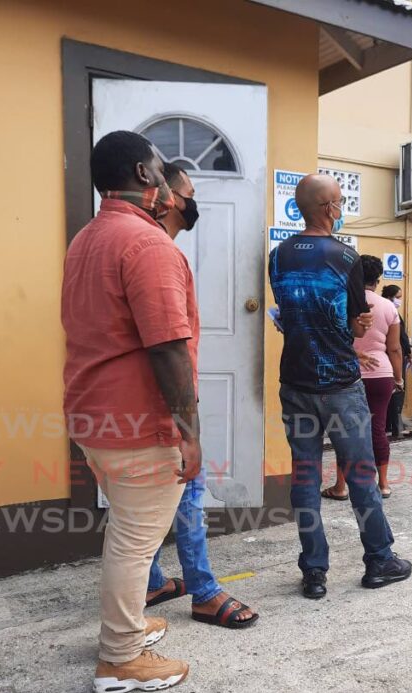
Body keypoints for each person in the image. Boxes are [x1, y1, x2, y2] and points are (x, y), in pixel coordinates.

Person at [63, 131, 195, 693]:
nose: (169, 184)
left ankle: (130, 626)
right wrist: (189, 432)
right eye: (163, 171)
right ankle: (119, 658)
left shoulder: (88, 238)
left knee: (125, 530)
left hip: (95, 416)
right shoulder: (147, 246)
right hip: (138, 422)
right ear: (145, 174)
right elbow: (166, 346)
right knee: (135, 541)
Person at [269, 173, 412, 599]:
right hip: (339, 383)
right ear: (329, 208)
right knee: (362, 473)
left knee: (306, 477)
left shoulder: (278, 256)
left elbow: (290, 313)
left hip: (294, 381)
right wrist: (356, 323)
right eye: (340, 201)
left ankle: (314, 572)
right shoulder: (346, 256)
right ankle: (379, 560)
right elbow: (351, 325)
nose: (341, 207)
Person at [144, 162, 257, 629]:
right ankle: (204, 591)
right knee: (188, 492)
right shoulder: (156, 253)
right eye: (189, 193)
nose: (195, 204)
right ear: (169, 197)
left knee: (141, 503)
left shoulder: (105, 241)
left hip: (127, 405)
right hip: (160, 404)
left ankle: (152, 581)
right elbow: (169, 345)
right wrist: (187, 427)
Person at [323, 256, 404, 500]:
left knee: (344, 431)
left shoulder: (342, 301)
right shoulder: (389, 307)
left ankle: (340, 486)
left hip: (348, 372)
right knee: (377, 428)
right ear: (378, 280)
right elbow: (395, 348)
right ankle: (384, 484)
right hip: (381, 374)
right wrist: (398, 378)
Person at [382, 284, 412, 440]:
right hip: (393, 358)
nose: (399, 300)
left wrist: (409, 350)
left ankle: (393, 424)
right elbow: (397, 341)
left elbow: (403, 336)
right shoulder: (389, 311)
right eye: (398, 297)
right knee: (397, 390)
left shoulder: (392, 311)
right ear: (389, 297)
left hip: (397, 356)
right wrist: (406, 351)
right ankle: (395, 426)